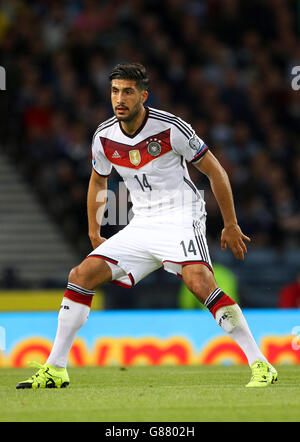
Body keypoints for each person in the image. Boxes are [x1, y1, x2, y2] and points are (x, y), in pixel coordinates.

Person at [17, 63, 277, 389]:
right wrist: (94, 230)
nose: (120, 98)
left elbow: (215, 171)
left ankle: (260, 364)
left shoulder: (171, 129)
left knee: (199, 283)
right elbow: (98, 181)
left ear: (143, 95)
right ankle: (56, 368)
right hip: (142, 223)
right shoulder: (104, 136)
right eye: (115, 91)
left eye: (127, 91)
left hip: (182, 215)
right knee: (80, 276)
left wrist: (230, 224)